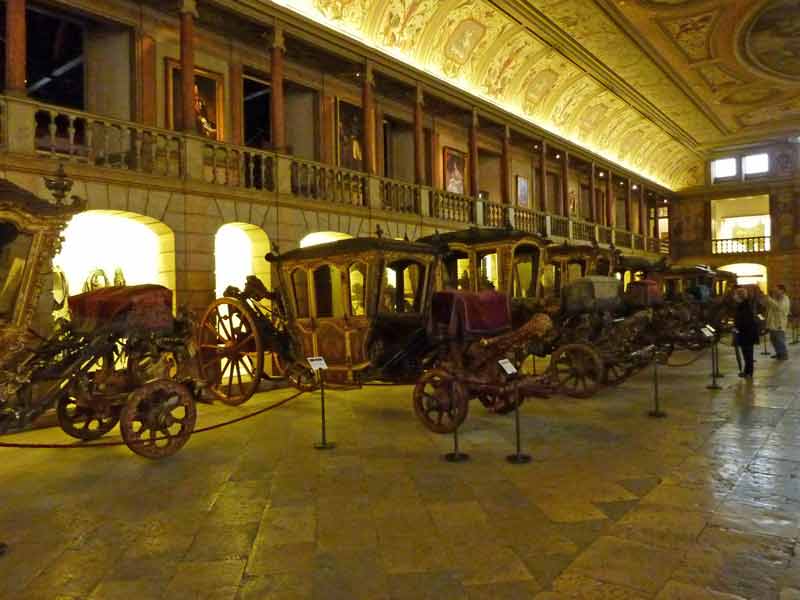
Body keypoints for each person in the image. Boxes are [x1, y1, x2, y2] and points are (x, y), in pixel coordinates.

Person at [733, 287, 759, 379]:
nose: (734, 296)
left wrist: (736, 328)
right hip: (745, 334)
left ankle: (749, 373)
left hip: (747, 334)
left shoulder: (745, 306)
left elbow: (746, 322)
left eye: (735, 294)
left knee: (748, 355)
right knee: (746, 354)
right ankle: (746, 371)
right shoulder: (742, 305)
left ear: (740, 296)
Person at [761, 284, 791, 360]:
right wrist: (765, 300)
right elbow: (767, 307)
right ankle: (779, 353)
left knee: (780, 339)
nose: (775, 291)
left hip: (779, 323)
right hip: (772, 323)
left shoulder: (785, 299)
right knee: (773, 339)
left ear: (782, 290)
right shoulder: (775, 298)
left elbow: (779, 308)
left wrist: (770, 300)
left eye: (776, 290)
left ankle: (784, 355)